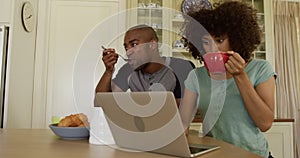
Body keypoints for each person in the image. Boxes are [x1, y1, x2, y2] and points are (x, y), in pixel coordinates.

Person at [179, 1, 276, 158]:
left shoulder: (260, 69)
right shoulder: (196, 76)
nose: (212, 49)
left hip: (253, 154)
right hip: (215, 154)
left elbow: (265, 123)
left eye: (219, 40)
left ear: (236, 39)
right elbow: (184, 123)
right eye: (205, 42)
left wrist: (240, 75)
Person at [95, 24, 195, 105]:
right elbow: (99, 102)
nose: (128, 52)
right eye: (126, 47)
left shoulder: (182, 67)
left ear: (152, 44)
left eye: (134, 44)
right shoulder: (128, 70)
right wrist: (108, 71)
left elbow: (184, 112)